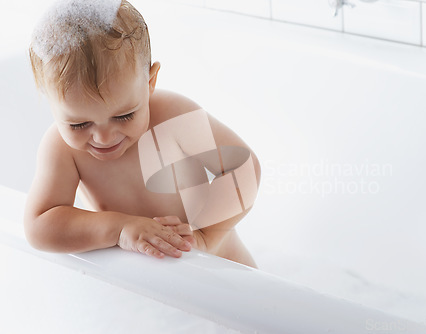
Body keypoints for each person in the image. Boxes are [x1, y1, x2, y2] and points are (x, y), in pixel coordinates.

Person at [24, 0, 260, 268]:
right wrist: (119, 228)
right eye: (78, 125)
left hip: (222, 266)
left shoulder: (172, 116)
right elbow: (40, 225)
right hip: (145, 286)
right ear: (49, 101)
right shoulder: (61, 148)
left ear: (150, 82)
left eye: (124, 116)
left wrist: (205, 236)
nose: (103, 138)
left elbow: (243, 167)